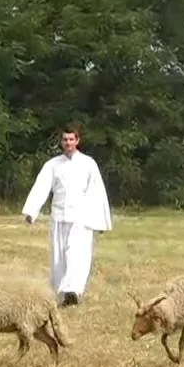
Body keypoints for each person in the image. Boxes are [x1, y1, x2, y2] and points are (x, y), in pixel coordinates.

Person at [20, 123, 112, 307]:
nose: (68, 143)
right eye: (65, 139)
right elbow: (41, 187)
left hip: (81, 219)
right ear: (61, 142)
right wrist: (31, 211)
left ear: (77, 141)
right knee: (59, 257)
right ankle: (62, 292)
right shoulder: (53, 165)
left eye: (71, 139)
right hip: (59, 217)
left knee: (76, 255)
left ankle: (73, 291)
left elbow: (97, 192)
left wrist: (100, 222)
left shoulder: (88, 164)